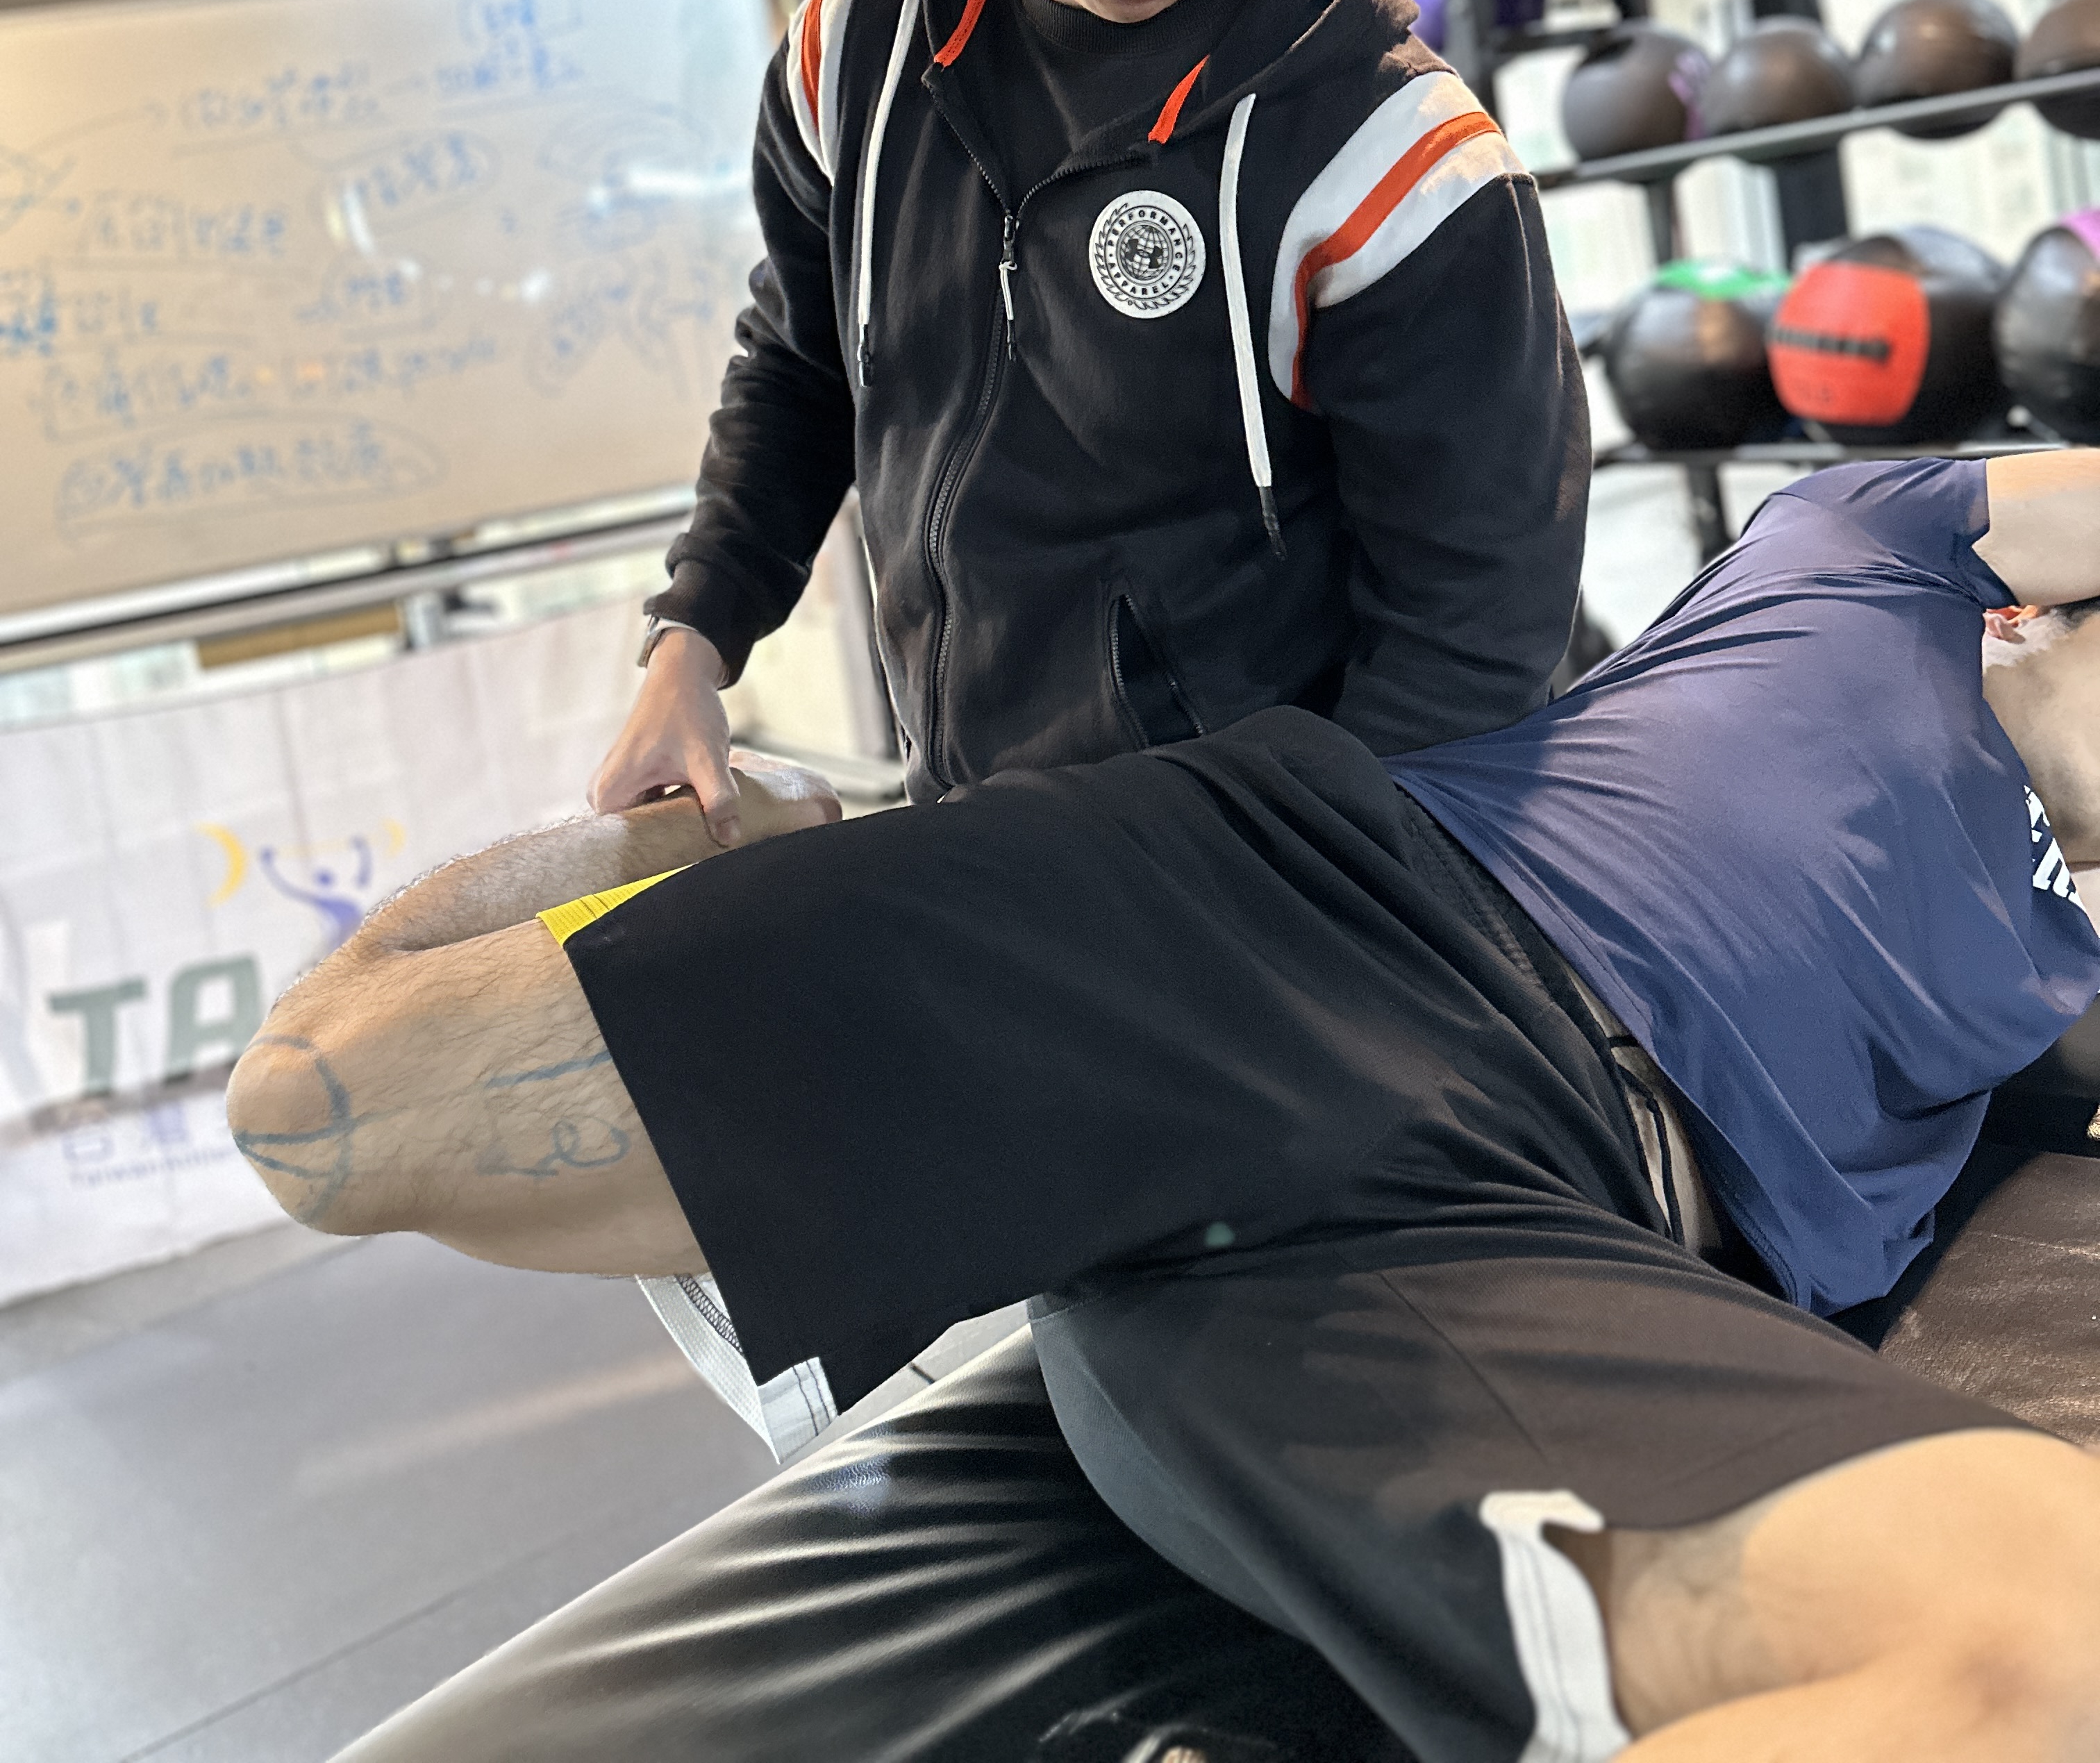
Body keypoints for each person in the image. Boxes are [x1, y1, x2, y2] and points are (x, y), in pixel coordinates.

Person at [234, 444, 2100, 1759]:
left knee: (2051, 1650)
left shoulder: (2064, 964)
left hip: (1530, 1229)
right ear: (2042, 614)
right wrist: (694, 824)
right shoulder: (1874, 553)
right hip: (1275, 902)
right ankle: (743, 851)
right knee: (328, 1105)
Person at [590, 0, 1587, 838]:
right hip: (983, 825)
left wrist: (1301, 889)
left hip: (1260, 862)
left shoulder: (1395, 167)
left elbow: (1477, 638)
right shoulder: (853, 52)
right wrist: (694, 641)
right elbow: (807, 364)